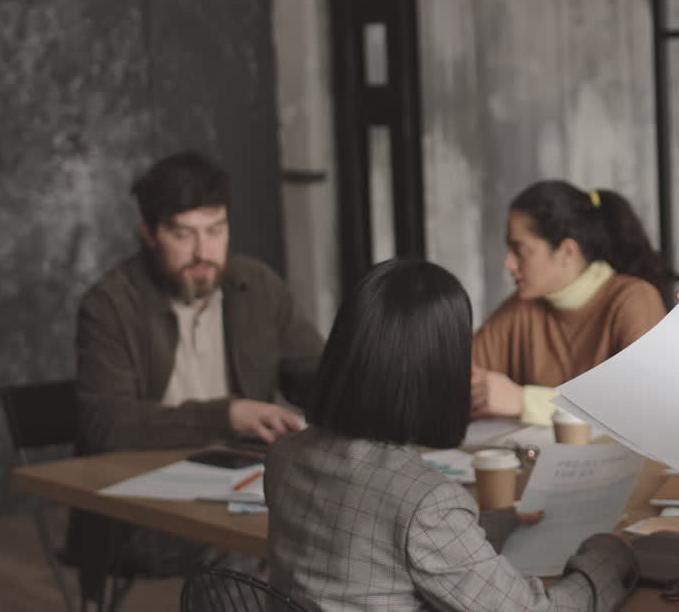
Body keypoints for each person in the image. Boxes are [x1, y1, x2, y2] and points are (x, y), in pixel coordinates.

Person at [265, 258, 638, 611]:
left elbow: (376, 543)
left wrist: (490, 527)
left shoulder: (285, 455)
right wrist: (607, 558)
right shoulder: (423, 500)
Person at [69, 150, 324, 586]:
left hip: (245, 485)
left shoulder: (255, 285)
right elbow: (105, 425)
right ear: (149, 234)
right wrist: (226, 414)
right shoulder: (110, 305)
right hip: (140, 508)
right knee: (251, 541)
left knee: (346, 515)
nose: (203, 251)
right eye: (183, 235)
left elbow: (316, 376)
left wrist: (369, 382)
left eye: (216, 230)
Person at [471, 181, 669, 426]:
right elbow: (459, 377)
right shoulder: (520, 308)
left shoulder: (633, 299)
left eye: (519, 250)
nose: (508, 264)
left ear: (566, 251)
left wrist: (524, 402)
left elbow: (646, 406)